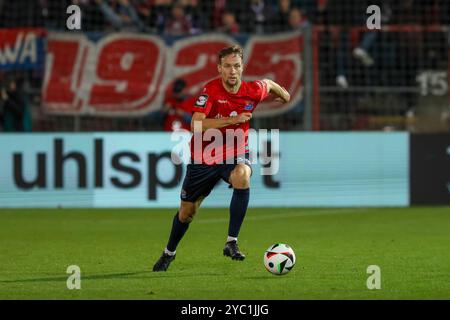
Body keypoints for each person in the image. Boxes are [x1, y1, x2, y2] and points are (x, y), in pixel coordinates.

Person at [152, 45, 290, 271]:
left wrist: (284, 95)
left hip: (234, 153)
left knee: (242, 175)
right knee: (187, 212)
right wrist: (231, 121)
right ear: (220, 69)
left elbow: (269, 84)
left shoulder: (252, 90)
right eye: (227, 66)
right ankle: (169, 253)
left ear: (242, 68)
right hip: (204, 157)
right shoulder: (210, 91)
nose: (232, 71)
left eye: (236, 66)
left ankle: (231, 242)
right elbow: (196, 124)